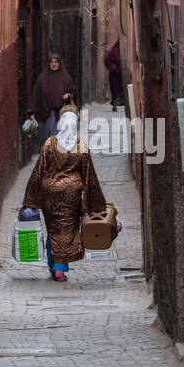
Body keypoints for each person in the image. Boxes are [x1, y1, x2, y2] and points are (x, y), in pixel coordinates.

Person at [22, 93, 106, 282]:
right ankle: (60, 269)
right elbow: (89, 175)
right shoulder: (80, 146)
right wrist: (95, 203)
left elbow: (38, 171)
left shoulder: (49, 144)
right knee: (67, 230)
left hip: (49, 193)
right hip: (71, 195)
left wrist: (30, 200)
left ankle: (53, 265)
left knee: (53, 228)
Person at [30, 51, 77, 143]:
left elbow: (73, 90)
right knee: (44, 135)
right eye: (51, 62)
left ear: (60, 64)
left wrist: (68, 95)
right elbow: (36, 94)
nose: (54, 64)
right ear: (49, 63)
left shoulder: (65, 77)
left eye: (56, 62)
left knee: (54, 135)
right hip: (43, 111)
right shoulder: (42, 78)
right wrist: (33, 110)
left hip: (58, 113)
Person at [104, 38, 125, 111]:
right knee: (116, 92)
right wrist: (114, 68)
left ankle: (118, 104)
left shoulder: (122, 51)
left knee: (121, 91)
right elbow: (107, 59)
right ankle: (115, 105)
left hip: (121, 76)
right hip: (115, 76)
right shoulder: (114, 51)